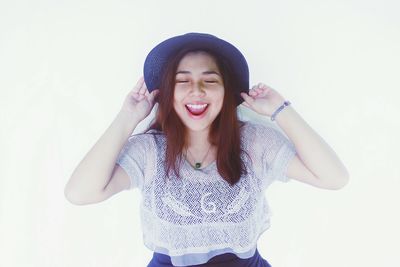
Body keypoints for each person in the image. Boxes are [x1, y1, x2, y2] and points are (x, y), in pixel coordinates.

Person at [64, 33, 349, 267]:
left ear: (226, 92)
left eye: (210, 81)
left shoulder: (254, 143)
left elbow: (334, 178)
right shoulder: (149, 152)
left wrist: (280, 110)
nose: (197, 90)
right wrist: (127, 118)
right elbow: (79, 193)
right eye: (182, 80)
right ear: (167, 93)